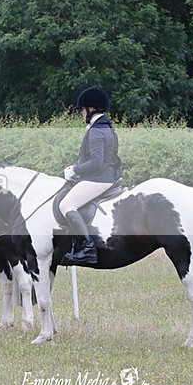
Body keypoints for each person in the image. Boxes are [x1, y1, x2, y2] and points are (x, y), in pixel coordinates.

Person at [59, 86, 122, 265]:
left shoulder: (97, 130)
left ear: (91, 109)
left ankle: (87, 249)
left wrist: (74, 170)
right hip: (105, 175)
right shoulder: (105, 126)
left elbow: (96, 162)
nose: (81, 113)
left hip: (100, 178)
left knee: (67, 205)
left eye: (82, 110)